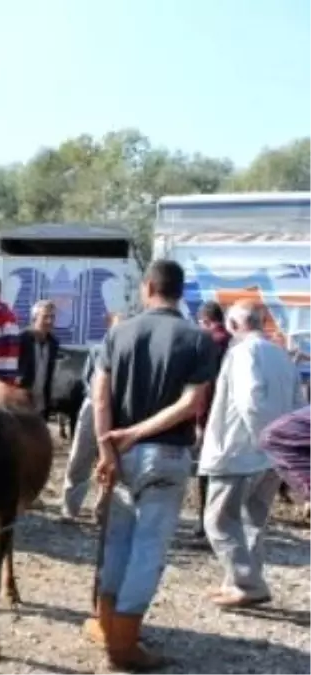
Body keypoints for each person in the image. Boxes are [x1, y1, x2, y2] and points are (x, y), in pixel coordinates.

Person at [87, 259, 216, 670]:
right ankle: (123, 647)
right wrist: (136, 435)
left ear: (147, 288)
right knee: (148, 549)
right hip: (166, 456)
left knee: (117, 542)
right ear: (180, 292)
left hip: (120, 453)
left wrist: (110, 448)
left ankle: (107, 626)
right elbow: (191, 404)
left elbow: (101, 398)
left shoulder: (118, 333)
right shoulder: (197, 340)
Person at [199, 300, 303, 608]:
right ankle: (237, 581)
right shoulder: (281, 355)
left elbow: (250, 401)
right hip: (271, 457)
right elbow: (299, 403)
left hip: (239, 452)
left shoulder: (243, 353)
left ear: (232, 326)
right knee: (252, 521)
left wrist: (266, 437)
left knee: (217, 521)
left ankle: (248, 583)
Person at [61, 313, 121, 520]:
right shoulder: (97, 350)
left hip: (118, 409)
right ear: (108, 327)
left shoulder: (131, 352)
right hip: (92, 406)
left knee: (111, 460)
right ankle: (70, 507)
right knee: (80, 456)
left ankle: (103, 509)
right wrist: (98, 395)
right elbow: (86, 379)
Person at [192, 300, 233, 539]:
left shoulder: (210, 343)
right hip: (233, 416)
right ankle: (223, 519)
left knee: (206, 470)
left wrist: (199, 421)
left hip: (212, 417)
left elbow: (205, 387)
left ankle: (204, 521)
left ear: (206, 321)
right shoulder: (235, 343)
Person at [18, 300, 59, 418]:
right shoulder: (21, 339)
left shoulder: (53, 343)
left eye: (52, 317)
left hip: (41, 403)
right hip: (21, 401)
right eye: (45, 317)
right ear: (34, 318)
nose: (49, 321)